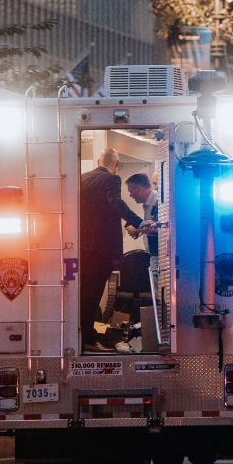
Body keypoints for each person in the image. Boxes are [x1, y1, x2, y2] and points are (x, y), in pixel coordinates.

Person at [80, 149, 149, 351]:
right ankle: (90, 339)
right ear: (116, 163)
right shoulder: (111, 179)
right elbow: (115, 203)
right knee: (93, 296)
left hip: (82, 249)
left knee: (85, 295)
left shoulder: (83, 179)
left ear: (98, 161)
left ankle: (85, 336)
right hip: (101, 250)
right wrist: (140, 221)